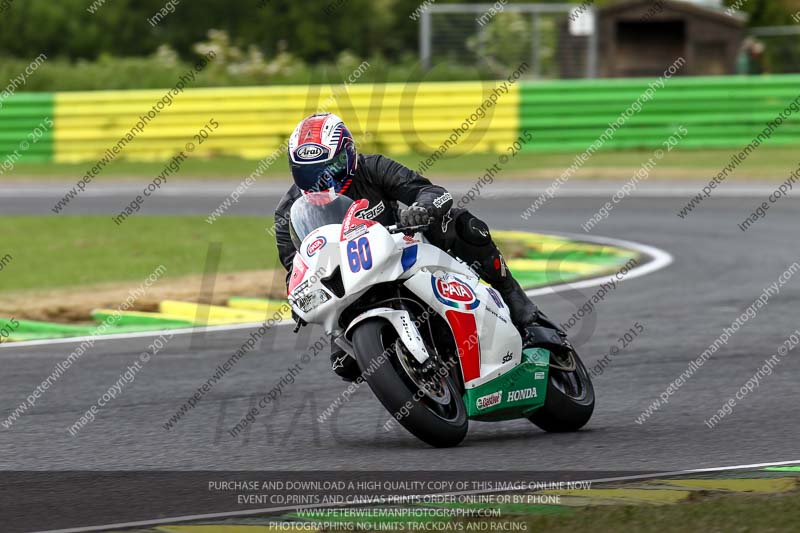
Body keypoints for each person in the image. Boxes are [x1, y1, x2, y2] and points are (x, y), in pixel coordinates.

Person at [275, 112, 550, 380]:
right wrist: (299, 297)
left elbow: (433, 192)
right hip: (349, 283)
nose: (322, 179)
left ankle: (514, 296)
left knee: (464, 226)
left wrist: (421, 208)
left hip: (399, 251)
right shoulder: (289, 210)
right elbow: (295, 266)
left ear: (348, 155)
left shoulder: (373, 168)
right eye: (308, 173)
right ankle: (409, 375)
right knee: (345, 365)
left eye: (330, 168)